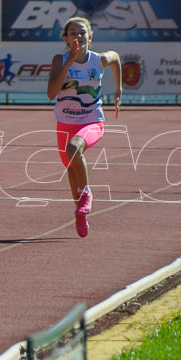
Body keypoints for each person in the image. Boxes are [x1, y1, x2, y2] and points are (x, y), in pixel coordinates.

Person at [46, 16, 121, 237]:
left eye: (81, 32)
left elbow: (116, 58)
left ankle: (86, 193)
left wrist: (118, 90)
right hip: (65, 121)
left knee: (74, 148)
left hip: (92, 120)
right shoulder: (59, 60)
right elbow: (51, 94)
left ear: (90, 36)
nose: (77, 36)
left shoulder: (99, 60)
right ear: (66, 39)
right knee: (71, 168)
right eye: (72, 33)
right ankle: (80, 212)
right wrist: (69, 62)